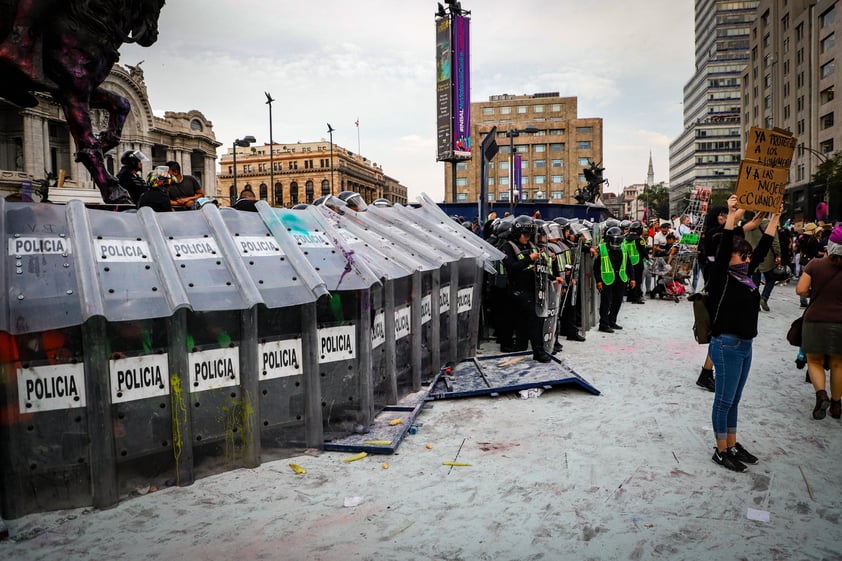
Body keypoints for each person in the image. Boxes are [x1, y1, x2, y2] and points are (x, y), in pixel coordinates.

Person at [707, 195, 780, 472]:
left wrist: (774, 217)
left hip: (745, 345)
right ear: (729, 259)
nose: (748, 258)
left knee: (734, 400)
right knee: (724, 400)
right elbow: (726, 246)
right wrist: (731, 214)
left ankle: (733, 444)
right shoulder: (721, 278)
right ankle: (721, 449)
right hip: (726, 345)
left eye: (748, 256)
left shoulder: (746, 275)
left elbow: (762, 249)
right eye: (743, 255)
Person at [795, 225, 842, 421]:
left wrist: (813, 294)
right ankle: (837, 405)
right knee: (838, 364)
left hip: (815, 319)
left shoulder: (815, 264)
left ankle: (821, 394)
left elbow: (801, 290)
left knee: (814, 361)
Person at [502, 215, 552, 362]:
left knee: (527, 320)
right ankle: (538, 351)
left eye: (530, 235)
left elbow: (541, 267)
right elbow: (512, 267)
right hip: (516, 289)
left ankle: (522, 347)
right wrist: (529, 259)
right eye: (525, 234)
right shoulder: (508, 247)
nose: (527, 237)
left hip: (533, 288)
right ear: (517, 233)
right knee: (532, 317)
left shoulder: (531, 246)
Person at [594, 226, 636, 333]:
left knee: (617, 301)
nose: (616, 242)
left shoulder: (624, 249)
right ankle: (603, 324)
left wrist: (632, 278)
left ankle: (612, 320)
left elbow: (628, 265)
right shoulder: (602, 249)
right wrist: (598, 281)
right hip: (607, 278)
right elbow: (596, 267)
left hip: (620, 278)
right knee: (606, 302)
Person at [744, 213, 782, 312]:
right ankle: (764, 297)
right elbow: (775, 241)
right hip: (766, 256)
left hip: (751, 256)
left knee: (754, 281)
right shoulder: (769, 224)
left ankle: (755, 302)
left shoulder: (749, 224)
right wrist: (778, 254)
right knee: (771, 278)